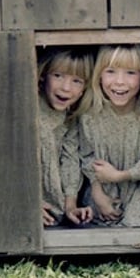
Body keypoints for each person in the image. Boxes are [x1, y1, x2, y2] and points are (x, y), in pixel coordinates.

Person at [74, 44, 140, 227]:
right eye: (110, 71)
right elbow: (86, 156)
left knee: (137, 225)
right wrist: (96, 190)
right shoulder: (89, 115)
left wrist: (120, 175)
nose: (119, 81)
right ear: (99, 76)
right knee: (92, 218)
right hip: (102, 188)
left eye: (131, 73)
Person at [37, 48, 94, 227]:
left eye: (76, 81)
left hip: (54, 207)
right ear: (43, 75)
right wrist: (27, 203)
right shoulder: (31, 108)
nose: (66, 87)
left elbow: (70, 160)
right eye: (58, 76)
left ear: (84, 89)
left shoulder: (72, 117)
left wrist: (71, 206)